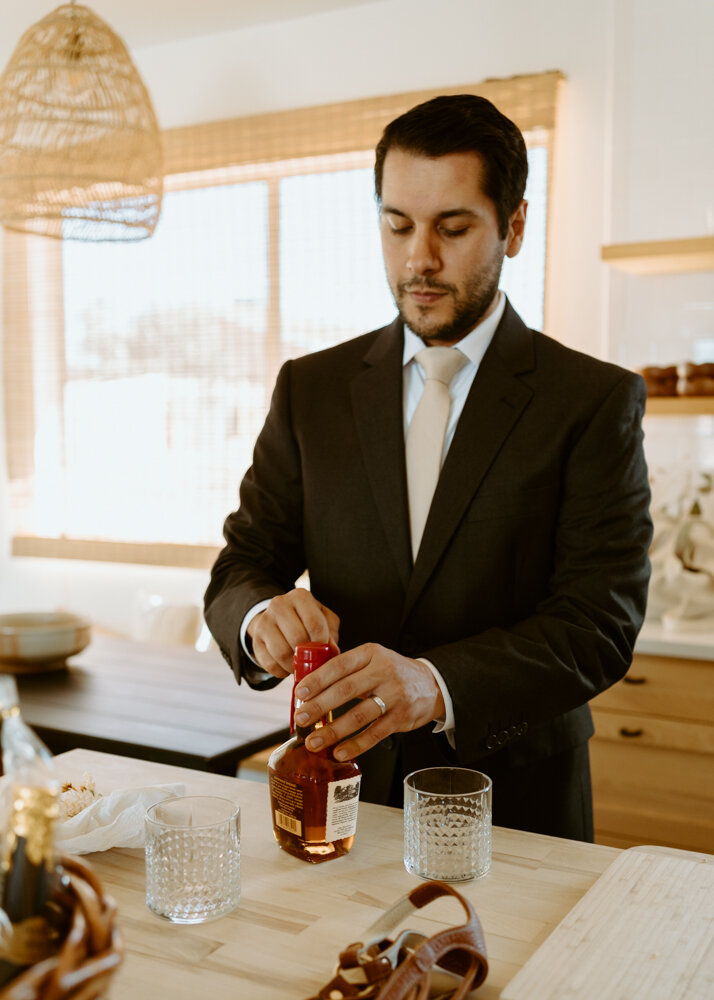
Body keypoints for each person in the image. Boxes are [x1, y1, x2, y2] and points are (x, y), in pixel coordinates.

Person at [204, 94, 652, 841]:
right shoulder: (311, 390)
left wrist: (435, 684)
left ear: (512, 227)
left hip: (518, 810)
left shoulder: (594, 400)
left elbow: (598, 624)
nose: (420, 259)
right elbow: (243, 564)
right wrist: (260, 617)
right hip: (345, 800)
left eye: (452, 227)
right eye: (398, 225)